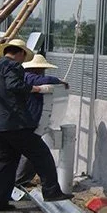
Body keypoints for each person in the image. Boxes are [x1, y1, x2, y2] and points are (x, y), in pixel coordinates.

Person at [0, 39, 73, 211]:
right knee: (41, 154)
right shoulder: (13, 65)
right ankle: (51, 191)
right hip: (14, 124)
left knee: (5, 162)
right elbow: (14, 85)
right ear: (20, 53)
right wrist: (37, 89)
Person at [15, 53, 69, 187]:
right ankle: (19, 180)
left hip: (28, 120)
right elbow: (39, 81)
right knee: (34, 153)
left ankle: (21, 180)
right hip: (30, 120)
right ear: (37, 69)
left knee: (32, 153)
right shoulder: (29, 77)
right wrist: (58, 81)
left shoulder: (25, 76)